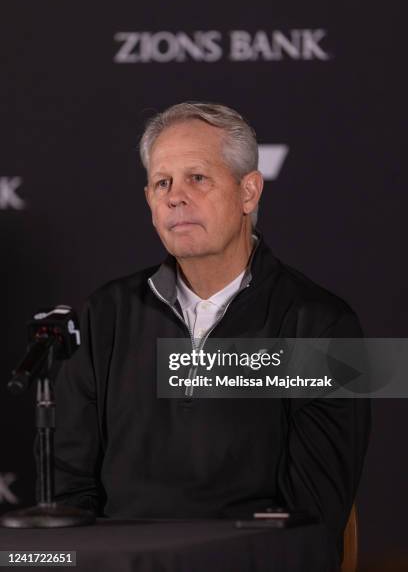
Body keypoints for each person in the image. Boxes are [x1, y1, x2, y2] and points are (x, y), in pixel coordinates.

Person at [53, 102, 370, 562]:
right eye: (163, 183)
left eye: (197, 178)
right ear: (149, 201)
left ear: (249, 192)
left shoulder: (322, 325)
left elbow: (313, 522)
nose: (175, 196)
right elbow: (70, 493)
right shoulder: (103, 315)